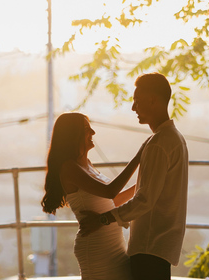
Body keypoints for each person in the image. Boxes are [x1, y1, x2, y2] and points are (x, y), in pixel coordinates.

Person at [80, 72, 189, 280]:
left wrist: (103, 219)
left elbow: (145, 199)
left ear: (152, 100)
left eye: (136, 101)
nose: (133, 108)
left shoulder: (158, 143)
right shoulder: (174, 138)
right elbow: (148, 188)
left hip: (150, 244)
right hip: (160, 245)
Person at [41, 112, 147, 280]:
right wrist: (138, 158)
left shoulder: (87, 165)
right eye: (86, 128)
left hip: (114, 247)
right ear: (72, 134)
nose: (93, 132)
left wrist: (144, 184)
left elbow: (112, 201)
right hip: (96, 248)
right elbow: (110, 191)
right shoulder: (69, 168)